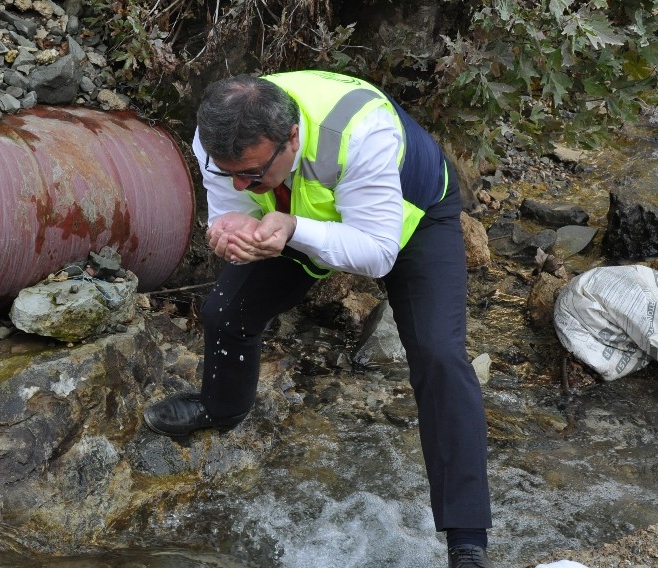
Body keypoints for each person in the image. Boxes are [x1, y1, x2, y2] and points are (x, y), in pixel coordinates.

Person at [142, 70, 494, 568]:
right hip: (293, 217)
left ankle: (467, 538)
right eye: (230, 172)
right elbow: (228, 210)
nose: (240, 183)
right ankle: (221, 408)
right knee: (226, 312)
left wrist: (293, 228)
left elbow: (377, 254)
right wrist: (229, 232)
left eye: (252, 173)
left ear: (292, 137)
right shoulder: (216, 137)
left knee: (439, 355)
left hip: (409, 219)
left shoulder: (362, 133)